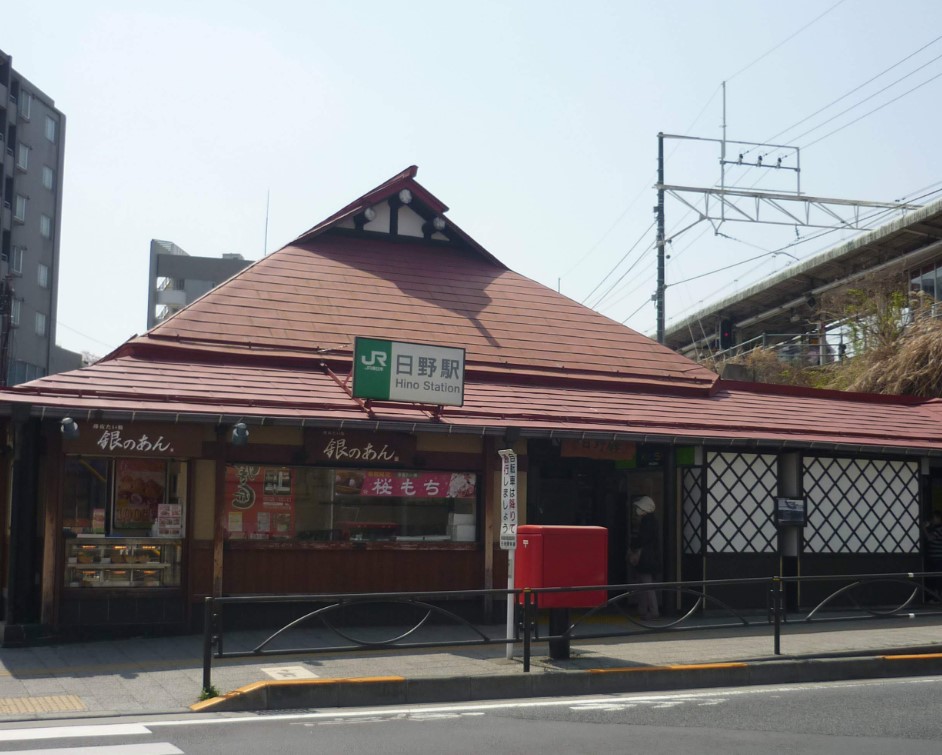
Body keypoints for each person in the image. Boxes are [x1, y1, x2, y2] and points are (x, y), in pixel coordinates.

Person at [629, 496, 660, 620]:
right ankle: (644, 610)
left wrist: (632, 545)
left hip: (646, 558)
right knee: (644, 584)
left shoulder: (647, 521)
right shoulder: (652, 520)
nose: (637, 510)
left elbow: (642, 539)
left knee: (646, 585)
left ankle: (653, 611)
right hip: (650, 557)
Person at [925, 511, 942, 601]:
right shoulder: (935, 529)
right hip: (935, 558)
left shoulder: (939, 529)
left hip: (938, 558)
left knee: (937, 578)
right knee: (935, 578)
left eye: (934, 518)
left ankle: (936, 597)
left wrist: (924, 529)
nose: (932, 520)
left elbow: (930, 538)